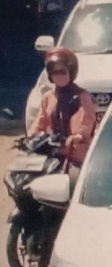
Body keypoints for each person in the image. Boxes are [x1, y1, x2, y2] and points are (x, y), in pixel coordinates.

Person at [33, 47, 97, 177]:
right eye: (54, 72)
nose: (58, 76)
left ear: (71, 72)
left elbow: (88, 120)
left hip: (76, 154)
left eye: (62, 72)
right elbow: (40, 122)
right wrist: (32, 137)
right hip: (52, 152)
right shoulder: (48, 97)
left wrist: (78, 136)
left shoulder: (83, 96)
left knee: (74, 180)